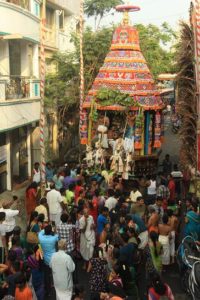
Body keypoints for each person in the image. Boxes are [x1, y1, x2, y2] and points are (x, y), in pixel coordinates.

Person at [38, 225, 59, 296]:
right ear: (50, 232)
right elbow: (58, 236)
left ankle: (48, 290)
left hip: (46, 260)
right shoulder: (54, 238)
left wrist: (45, 229)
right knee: (55, 273)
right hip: (54, 259)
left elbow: (40, 232)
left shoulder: (41, 238)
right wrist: (53, 231)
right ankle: (57, 286)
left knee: (47, 275)